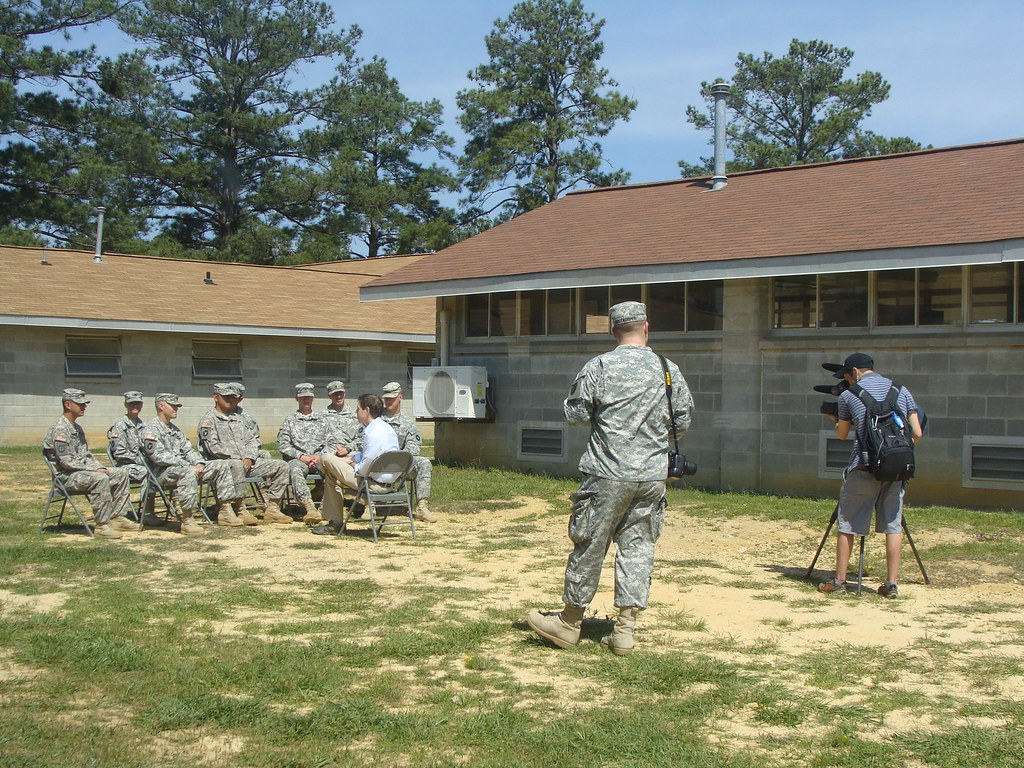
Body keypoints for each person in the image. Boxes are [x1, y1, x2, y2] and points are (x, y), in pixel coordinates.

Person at [527, 302, 694, 656]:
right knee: (638, 548)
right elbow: (682, 421)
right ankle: (625, 631)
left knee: (590, 544)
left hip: (607, 473)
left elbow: (575, 415)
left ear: (613, 331)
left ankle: (570, 622)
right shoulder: (668, 369)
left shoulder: (600, 366)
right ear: (646, 327)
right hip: (651, 475)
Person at [818, 353, 922, 598]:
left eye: (847, 376)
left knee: (848, 524)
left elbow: (842, 434)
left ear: (855, 371)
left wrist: (837, 420)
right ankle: (891, 584)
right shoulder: (901, 390)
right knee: (892, 525)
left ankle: (840, 581)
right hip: (897, 470)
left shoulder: (848, 395)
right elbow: (916, 431)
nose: (848, 381)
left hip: (863, 467)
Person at [142, 392, 246, 534]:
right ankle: (187, 519)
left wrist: (199, 463)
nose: (176, 409)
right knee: (189, 472)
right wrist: (187, 465)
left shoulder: (174, 430)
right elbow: (158, 456)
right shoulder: (151, 430)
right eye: (172, 406)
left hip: (181, 468)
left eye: (177, 406)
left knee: (221, 464)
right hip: (161, 472)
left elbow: (188, 450)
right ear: (161, 406)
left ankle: (225, 510)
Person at [42, 388, 135, 539]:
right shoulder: (59, 429)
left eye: (84, 404)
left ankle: (118, 518)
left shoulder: (77, 428)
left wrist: (99, 467)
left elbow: (87, 455)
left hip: (80, 472)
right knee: (99, 478)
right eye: (80, 404)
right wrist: (95, 470)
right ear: (68, 405)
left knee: (121, 473)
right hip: (66, 477)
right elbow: (66, 462)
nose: (84, 407)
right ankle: (102, 525)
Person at [196, 382, 293, 525]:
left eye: (232, 397)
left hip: (248, 463)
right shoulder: (208, 421)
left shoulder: (239, 418)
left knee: (282, 466)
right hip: (225, 466)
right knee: (236, 465)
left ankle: (273, 508)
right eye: (225, 397)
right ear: (216, 397)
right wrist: (239, 459)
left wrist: (249, 457)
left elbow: (252, 440)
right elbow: (213, 448)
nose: (230, 400)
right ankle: (240, 509)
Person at [312, 394, 400, 535]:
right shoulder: (386, 428)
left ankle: (336, 524)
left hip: (371, 483)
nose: (356, 412)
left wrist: (353, 464)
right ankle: (335, 524)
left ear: (366, 410)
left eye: (358, 409)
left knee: (326, 458)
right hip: (386, 482)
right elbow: (371, 455)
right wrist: (350, 459)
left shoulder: (372, 434)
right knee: (333, 470)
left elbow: (365, 469)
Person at [381, 381, 437, 523]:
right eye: (386, 398)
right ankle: (369, 507)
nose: (388, 401)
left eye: (392, 398)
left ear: (400, 397)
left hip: (401, 464)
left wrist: (397, 457)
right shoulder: (376, 419)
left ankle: (422, 507)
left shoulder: (407, 423)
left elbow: (413, 448)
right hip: (378, 463)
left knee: (423, 462)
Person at [277, 382, 326, 525]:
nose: (306, 400)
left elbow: (330, 442)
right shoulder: (289, 421)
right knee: (295, 468)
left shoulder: (322, 420)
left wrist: (320, 456)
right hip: (298, 460)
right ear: (296, 399)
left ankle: (326, 505)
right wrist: (301, 456)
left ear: (313, 398)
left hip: (318, 458)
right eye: (303, 397)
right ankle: (309, 506)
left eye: (309, 397)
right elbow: (283, 445)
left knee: (332, 467)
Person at [107, 391, 149, 483]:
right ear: (125, 405)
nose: (135, 406)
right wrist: (142, 461)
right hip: (125, 466)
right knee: (149, 473)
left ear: (141, 405)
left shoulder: (144, 426)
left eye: (137, 403)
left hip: (144, 464)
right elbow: (120, 454)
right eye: (131, 403)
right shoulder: (119, 426)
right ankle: (147, 498)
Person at [319, 380, 363, 460]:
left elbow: (361, 438)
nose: (338, 396)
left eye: (340, 393)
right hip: (329, 455)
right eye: (335, 394)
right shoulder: (321, 417)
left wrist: (347, 448)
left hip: (349, 455)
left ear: (344, 394)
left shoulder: (355, 416)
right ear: (329, 396)